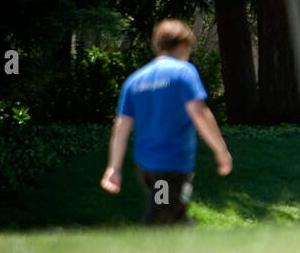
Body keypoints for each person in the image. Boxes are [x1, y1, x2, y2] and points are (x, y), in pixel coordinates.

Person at [99, 19, 233, 224]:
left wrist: (114, 167)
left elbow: (121, 127)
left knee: (176, 214)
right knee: (161, 217)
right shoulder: (183, 73)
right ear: (182, 45)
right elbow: (199, 113)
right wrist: (221, 150)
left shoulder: (134, 81)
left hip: (146, 167)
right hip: (171, 165)